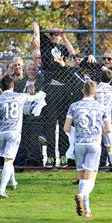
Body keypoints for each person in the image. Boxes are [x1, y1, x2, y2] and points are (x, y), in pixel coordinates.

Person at [0, 75, 46, 198]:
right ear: (13, 85)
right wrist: (43, 93)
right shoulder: (20, 96)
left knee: (8, 158)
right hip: (14, 132)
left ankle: (13, 183)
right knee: (8, 160)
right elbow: (34, 98)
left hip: (1, 132)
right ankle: (2, 190)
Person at [63, 80, 110, 218]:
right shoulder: (102, 107)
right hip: (94, 144)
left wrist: (75, 136)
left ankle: (87, 211)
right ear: (95, 92)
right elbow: (107, 129)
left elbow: (66, 127)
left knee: (83, 177)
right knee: (91, 178)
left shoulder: (74, 106)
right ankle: (81, 195)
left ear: (82, 91)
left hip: (79, 144)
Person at [32, 22, 75, 167]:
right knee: (50, 125)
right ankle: (50, 157)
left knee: (64, 126)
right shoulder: (46, 45)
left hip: (64, 90)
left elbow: (73, 54)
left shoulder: (62, 48)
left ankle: (63, 155)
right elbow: (35, 23)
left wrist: (64, 35)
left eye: (57, 35)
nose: (55, 37)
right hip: (50, 88)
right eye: (54, 34)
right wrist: (38, 37)